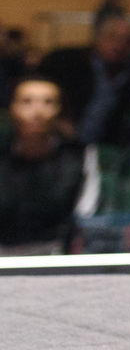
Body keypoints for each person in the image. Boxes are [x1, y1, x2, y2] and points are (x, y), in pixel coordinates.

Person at [0, 76, 87, 250]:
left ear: (59, 109)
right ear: (12, 107)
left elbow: (82, 215)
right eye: (27, 101)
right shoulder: (3, 155)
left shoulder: (78, 157)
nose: (37, 111)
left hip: (57, 251)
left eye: (48, 102)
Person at [39, 6, 130, 148]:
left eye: (127, 41)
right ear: (97, 37)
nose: (119, 45)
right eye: (112, 37)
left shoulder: (129, 76)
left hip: (100, 147)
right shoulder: (64, 60)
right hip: (55, 142)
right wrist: (58, 120)